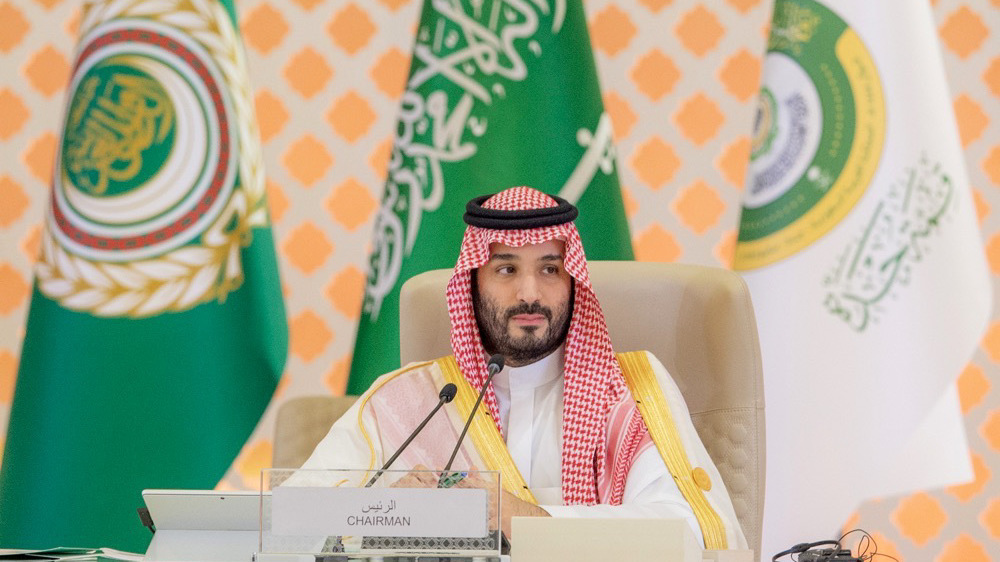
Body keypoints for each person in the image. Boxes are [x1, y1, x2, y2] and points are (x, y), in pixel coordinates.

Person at [301, 186, 746, 550]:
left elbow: (683, 531)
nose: (529, 292)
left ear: (573, 281)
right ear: (473, 283)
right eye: (507, 269)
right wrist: (382, 511)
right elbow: (292, 514)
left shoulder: (628, 393)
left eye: (550, 269)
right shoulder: (412, 401)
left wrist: (522, 518)